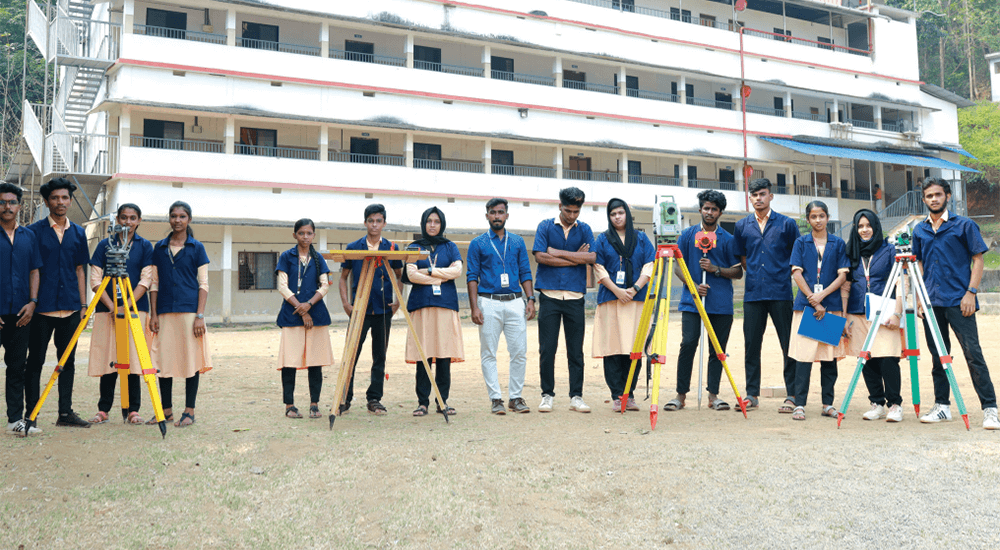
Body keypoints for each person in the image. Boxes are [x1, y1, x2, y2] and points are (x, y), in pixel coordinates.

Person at [912, 178, 998, 430]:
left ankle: (990, 410)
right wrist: (920, 297)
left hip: (960, 301)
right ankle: (942, 406)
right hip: (932, 303)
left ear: (947, 196)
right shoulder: (919, 230)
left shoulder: (964, 225)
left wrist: (971, 292)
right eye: (929, 196)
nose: (934, 199)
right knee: (939, 356)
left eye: (938, 194)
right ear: (924, 199)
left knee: (973, 354)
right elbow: (918, 263)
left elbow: (978, 259)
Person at [667, 190, 743, 412]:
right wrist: (693, 286)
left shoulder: (728, 239)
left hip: (720, 304)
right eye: (706, 208)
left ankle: (713, 396)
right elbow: (678, 266)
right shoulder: (687, 235)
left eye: (714, 209)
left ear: (720, 212)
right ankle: (680, 395)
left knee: (717, 349)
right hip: (692, 302)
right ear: (700, 209)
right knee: (688, 344)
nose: (709, 212)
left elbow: (738, 272)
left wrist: (715, 269)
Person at [25, 178, 91, 428]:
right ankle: (31, 415)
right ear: (46, 201)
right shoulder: (33, 232)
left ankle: (65, 414)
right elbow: (30, 270)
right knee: (35, 362)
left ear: (70, 201)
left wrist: (83, 306)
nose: (60, 202)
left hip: (71, 308)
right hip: (42, 309)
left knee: (68, 362)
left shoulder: (79, 233)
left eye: (64, 198)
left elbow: (80, 270)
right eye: (55, 198)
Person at [732, 178, 801, 412]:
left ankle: (792, 394)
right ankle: (751, 394)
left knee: (788, 344)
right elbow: (743, 258)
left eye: (762, 194)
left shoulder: (787, 224)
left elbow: (796, 255)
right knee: (751, 345)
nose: (758, 198)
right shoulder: (742, 226)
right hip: (753, 294)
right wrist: (756, 272)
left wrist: (777, 273)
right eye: (754, 195)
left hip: (781, 292)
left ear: (770, 196)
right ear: (750, 198)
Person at [86, 204, 154, 426]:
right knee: (109, 358)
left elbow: (146, 279)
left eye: (133, 218)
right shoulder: (104, 245)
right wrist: (114, 307)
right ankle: (103, 409)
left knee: (133, 359)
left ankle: (133, 410)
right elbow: (95, 280)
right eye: (124, 217)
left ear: (139, 220)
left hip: (135, 311)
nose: (128, 222)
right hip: (107, 311)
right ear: (117, 219)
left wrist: (127, 306)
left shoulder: (145, 246)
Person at [467, 198, 536, 415]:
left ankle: (515, 397)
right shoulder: (477, 243)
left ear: (507, 215)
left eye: (500, 212)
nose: (497, 216)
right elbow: (472, 276)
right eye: (493, 212)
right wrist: (474, 307)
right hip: (488, 302)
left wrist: (531, 299)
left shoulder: (517, 242)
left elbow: (525, 271)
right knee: (489, 352)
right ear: (487, 215)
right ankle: (496, 399)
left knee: (519, 352)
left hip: (515, 301)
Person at [148, 201, 212, 427]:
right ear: (169, 218)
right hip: (164, 312)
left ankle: (189, 411)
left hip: (189, 313)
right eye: (173, 216)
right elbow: (154, 284)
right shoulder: (159, 248)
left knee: (190, 361)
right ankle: (165, 411)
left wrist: (200, 316)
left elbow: (203, 284)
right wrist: (153, 314)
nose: (177, 220)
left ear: (189, 219)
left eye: (182, 216)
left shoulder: (197, 248)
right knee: (163, 362)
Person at [532, 187, 596, 413]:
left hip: (575, 296)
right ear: (560, 206)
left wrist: (557, 252)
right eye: (568, 210)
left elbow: (592, 257)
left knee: (575, 351)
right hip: (549, 296)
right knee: (547, 349)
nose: (571, 215)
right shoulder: (545, 226)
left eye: (576, 211)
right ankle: (547, 395)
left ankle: (576, 397)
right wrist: (577, 258)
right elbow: (541, 257)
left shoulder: (585, 229)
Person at [339, 204, 402, 415]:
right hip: (359, 310)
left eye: (378, 221)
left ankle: (374, 399)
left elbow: (399, 276)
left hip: (383, 309)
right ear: (365, 222)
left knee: (379, 356)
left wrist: (398, 300)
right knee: (351, 354)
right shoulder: (353, 247)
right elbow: (343, 278)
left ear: (384, 223)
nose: (374, 225)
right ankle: (344, 398)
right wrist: (346, 303)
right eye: (371, 221)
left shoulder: (391, 248)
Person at [788, 201, 849, 421]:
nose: (818, 220)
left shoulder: (838, 243)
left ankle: (828, 403)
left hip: (829, 305)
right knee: (803, 358)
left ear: (827, 217)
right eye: (813, 216)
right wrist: (814, 301)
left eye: (821, 216)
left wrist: (821, 296)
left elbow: (843, 275)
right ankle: (799, 404)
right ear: (808, 220)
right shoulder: (801, 242)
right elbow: (796, 273)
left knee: (828, 358)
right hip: (807, 307)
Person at [592, 198, 654, 412]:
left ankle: (630, 394)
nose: (617, 217)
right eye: (613, 214)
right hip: (611, 300)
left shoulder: (641, 238)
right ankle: (617, 395)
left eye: (620, 212)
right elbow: (598, 267)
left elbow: (649, 264)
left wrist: (635, 288)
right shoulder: (603, 239)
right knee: (613, 349)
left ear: (627, 213)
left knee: (634, 348)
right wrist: (617, 291)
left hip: (636, 301)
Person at [842, 209, 904, 423]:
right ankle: (877, 403)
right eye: (860, 226)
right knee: (866, 359)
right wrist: (844, 316)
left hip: (885, 312)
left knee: (888, 358)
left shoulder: (889, 250)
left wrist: (897, 313)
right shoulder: (850, 251)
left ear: (876, 227)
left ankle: (895, 404)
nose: (864, 230)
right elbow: (845, 286)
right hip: (858, 312)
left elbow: (900, 282)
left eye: (868, 225)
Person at [404, 207, 464, 416]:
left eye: (436, 221)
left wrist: (429, 271)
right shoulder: (414, 247)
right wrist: (439, 279)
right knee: (424, 354)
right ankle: (423, 402)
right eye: (429, 221)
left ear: (442, 224)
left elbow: (457, 270)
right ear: (423, 223)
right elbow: (411, 274)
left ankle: (442, 401)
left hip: (445, 305)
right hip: (421, 305)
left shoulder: (450, 246)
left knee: (443, 354)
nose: (432, 225)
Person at [275, 219, 333, 420]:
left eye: (309, 233)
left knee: (315, 362)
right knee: (289, 362)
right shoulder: (286, 256)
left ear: (313, 235)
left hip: (316, 314)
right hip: (292, 315)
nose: (305, 237)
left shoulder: (318, 258)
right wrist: (302, 310)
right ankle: (289, 405)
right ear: (295, 235)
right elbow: (283, 287)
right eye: (301, 233)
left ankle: (314, 404)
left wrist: (309, 304)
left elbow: (325, 286)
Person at [2, 183, 43, 434]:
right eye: (2, 202)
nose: (7, 207)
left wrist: (33, 302)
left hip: (21, 315)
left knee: (17, 368)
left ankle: (14, 421)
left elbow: (34, 271)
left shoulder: (29, 236)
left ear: (19, 205)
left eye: (12, 202)